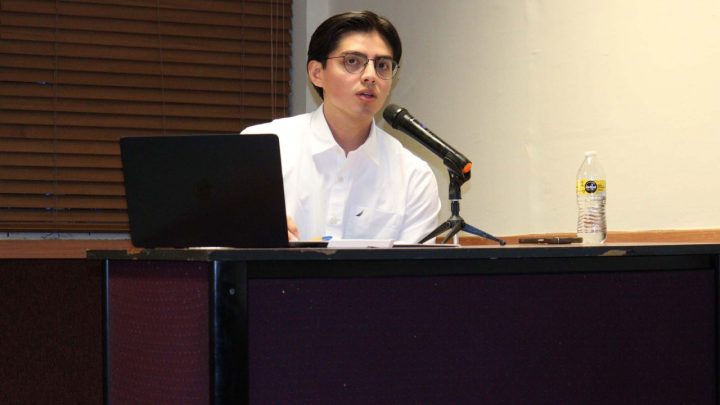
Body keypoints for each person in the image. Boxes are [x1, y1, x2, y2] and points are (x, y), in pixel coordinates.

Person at [242, 10, 440, 243]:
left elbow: (414, 266)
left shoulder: (413, 176)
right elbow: (220, 245)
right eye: (352, 61)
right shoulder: (260, 146)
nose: (370, 76)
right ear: (317, 73)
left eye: (382, 65)